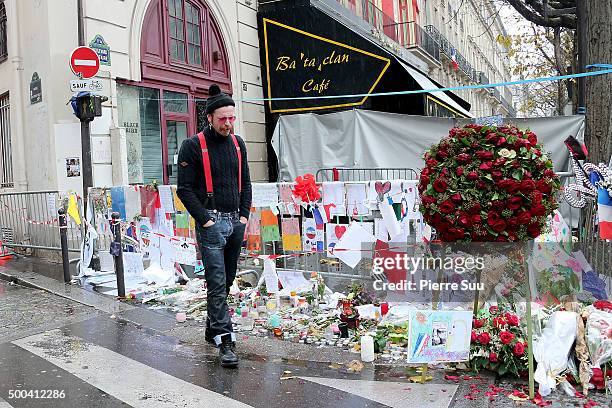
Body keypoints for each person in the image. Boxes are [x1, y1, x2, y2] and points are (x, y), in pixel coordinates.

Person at [177, 84, 252, 368]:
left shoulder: (238, 144)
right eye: (223, 119)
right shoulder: (193, 146)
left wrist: (243, 218)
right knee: (217, 283)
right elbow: (184, 190)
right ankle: (225, 341)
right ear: (209, 117)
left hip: (235, 221)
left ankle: (211, 327)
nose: (228, 123)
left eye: (232, 118)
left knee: (228, 280)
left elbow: (245, 184)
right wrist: (206, 221)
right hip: (211, 223)